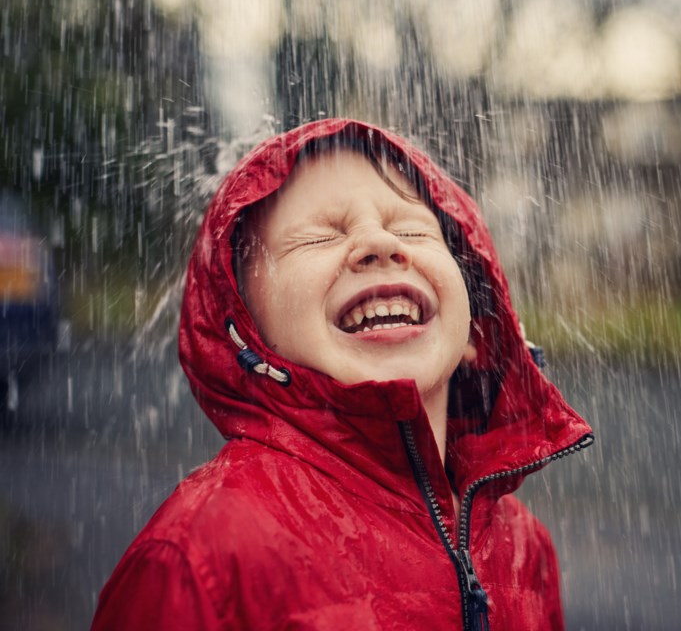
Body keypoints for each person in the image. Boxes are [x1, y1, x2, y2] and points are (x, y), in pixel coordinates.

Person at [91, 119, 593, 630]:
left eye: (412, 230)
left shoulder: (523, 548)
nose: (378, 242)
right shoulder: (201, 557)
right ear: (246, 329)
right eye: (319, 237)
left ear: (475, 332)